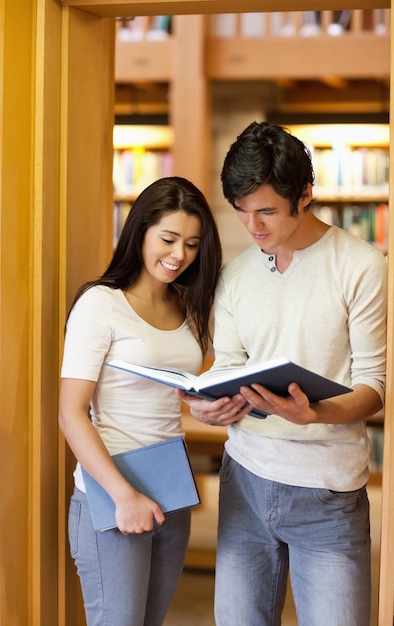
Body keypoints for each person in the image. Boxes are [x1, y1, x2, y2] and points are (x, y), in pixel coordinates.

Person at [177, 122, 387, 626]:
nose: (253, 227)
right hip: (244, 481)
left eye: (267, 210)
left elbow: (374, 388)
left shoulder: (362, 265)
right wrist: (211, 405)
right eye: (242, 211)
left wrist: (313, 413)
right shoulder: (236, 276)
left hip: (328, 491)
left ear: (305, 195)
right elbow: (227, 367)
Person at [59, 176, 222, 626]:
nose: (179, 255)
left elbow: (172, 394)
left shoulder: (188, 306)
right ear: (140, 231)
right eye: (168, 239)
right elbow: (71, 413)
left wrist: (208, 401)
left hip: (171, 486)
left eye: (192, 244)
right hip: (113, 491)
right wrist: (123, 495)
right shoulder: (100, 304)